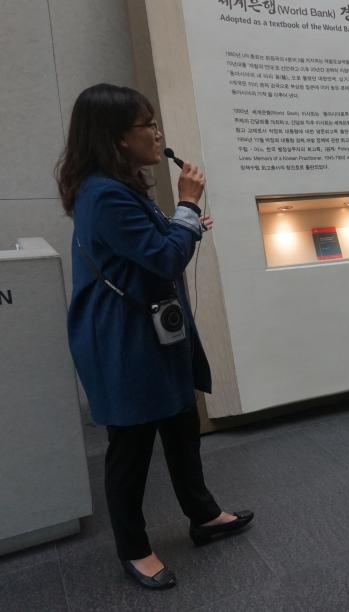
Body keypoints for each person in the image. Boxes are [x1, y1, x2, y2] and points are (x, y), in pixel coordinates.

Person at [56, 83, 253, 591]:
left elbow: (149, 245)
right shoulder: (103, 194)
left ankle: (202, 515)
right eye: (148, 125)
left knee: (181, 422)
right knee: (131, 444)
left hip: (150, 329)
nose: (158, 133)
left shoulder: (118, 187)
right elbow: (164, 257)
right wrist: (186, 206)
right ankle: (134, 549)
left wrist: (182, 222)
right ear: (119, 137)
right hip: (124, 338)